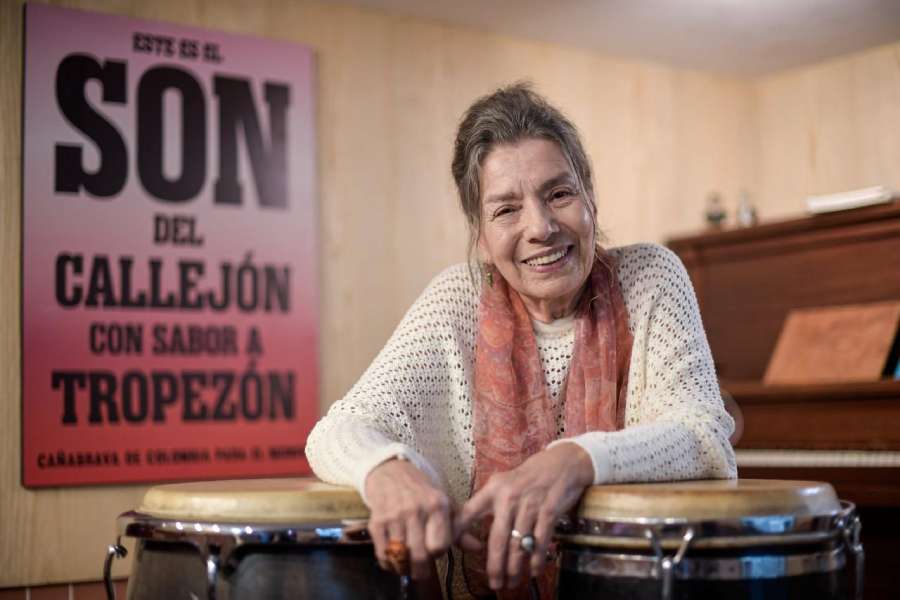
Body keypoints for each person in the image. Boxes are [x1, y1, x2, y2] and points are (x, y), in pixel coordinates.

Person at [306, 83, 736, 599]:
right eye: (506, 209)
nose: (541, 227)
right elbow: (337, 431)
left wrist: (575, 460)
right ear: (481, 236)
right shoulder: (459, 298)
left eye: (559, 194)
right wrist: (386, 470)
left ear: (590, 198)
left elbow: (704, 435)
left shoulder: (650, 275)